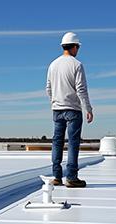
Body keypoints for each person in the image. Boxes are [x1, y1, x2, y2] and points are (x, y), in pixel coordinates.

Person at [46, 32, 94, 188]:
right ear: (74, 47)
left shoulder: (53, 65)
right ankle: (72, 178)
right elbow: (81, 89)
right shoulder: (77, 65)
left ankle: (57, 177)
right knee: (73, 143)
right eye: (78, 47)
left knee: (57, 142)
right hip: (73, 110)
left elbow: (48, 88)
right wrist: (88, 108)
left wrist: (54, 102)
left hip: (57, 109)